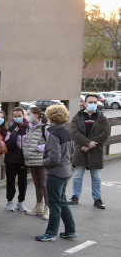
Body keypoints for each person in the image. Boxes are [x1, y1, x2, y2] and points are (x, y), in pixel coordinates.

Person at [36, 104, 77, 242]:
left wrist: (43, 162)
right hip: (66, 171)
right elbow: (72, 152)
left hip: (56, 173)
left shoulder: (54, 134)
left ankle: (50, 233)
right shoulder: (67, 132)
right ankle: (70, 230)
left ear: (50, 118)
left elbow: (54, 157)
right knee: (62, 201)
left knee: (54, 204)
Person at [68, 93, 108, 209]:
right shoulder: (77, 117)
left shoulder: (102, 118)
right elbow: (75, 133)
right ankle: (75, 196)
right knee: (77, 175)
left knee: (96, 176)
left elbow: (105, 134)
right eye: (90, 102)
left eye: (95, 102)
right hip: (81, 150)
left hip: (95, 151)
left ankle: (97, 199)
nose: (93, 104)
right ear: (85, 103)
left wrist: (90, 145)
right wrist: (86, 143)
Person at [5, 106, 31, 213]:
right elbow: (9, 144)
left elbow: (30, 144)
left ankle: (21, 202)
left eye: (19, 116)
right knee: (10, 182)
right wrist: (14, 133)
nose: (17, 118)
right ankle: (9, 201)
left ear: (23, 116)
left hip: (23, 160)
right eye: (15, 116)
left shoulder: (29, 128)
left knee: (23, 182)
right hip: (11, 160)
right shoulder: (10, 129)